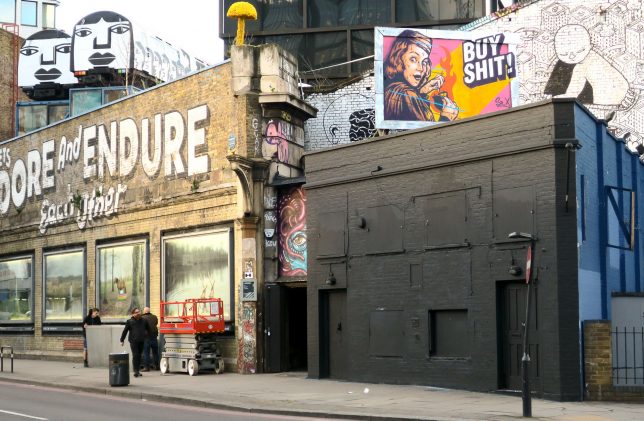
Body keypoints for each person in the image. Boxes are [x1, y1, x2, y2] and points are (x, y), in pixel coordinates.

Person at [384, 29, 459, 122]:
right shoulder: (406, 94)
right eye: (413, 59)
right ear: (399, 59)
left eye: (424, 62)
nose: (421, 68)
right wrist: (447, 117)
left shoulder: (394, 89)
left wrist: (422, 92)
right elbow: (427, 131)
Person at [120, 307, 149, 377]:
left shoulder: (144, 320)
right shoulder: (129, 321)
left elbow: (148, 329)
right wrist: (122, 340)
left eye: (139, 312)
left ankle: (138, 370)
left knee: (139, 356)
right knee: (135, 355)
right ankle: (136, 371)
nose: (138, 313)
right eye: (136, 312)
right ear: (133, 314)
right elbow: (125, 331)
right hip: (133, 341)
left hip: (141, 340)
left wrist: (147, 336)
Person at [142, 307, 160, 372]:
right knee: (155, 353)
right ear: (149, 311)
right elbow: (156, 323)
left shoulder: (142, 318)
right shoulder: (154, 317)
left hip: (146, 338)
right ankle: (156, 366)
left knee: (146, 353)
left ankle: (146, 367)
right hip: (154, 337)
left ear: (144, 311)